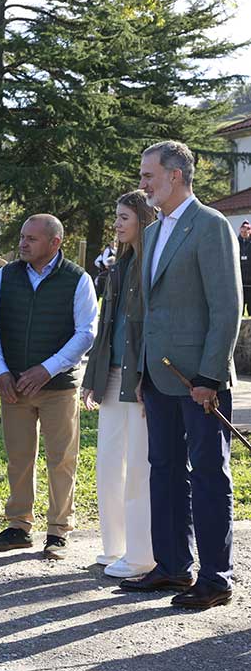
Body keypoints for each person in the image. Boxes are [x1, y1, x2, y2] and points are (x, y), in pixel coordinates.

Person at [119, 141, 241, 609]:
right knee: (163, 471)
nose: (143, 183)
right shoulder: (151, 232)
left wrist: (210, 376)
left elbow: (227, 308)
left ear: (175, 176)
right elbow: (148, 309)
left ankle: (216, 577)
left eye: (149, 175)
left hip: (199, 382)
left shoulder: (210, 226)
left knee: (209, 474)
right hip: (158, 376)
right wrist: (141, 374)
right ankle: (172, 567)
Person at [0, 214, 97, 560]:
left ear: (55, 243)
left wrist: (46, 370)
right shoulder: (6, 275)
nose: (22, 243)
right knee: (18, 457)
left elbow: (86, 332)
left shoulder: (78, 280)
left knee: (61, 459)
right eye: (22, 237)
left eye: (31, 239)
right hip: (13, 385)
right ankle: (19, 525)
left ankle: (58, 530)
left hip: (58, 386)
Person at [81, 191, 156, 578]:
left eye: (124, 216)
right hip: (110, 376)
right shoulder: (119, 264)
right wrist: (91, 380)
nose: (117, 223)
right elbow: (105, 328)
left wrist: (147, 377)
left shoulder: (153, 263)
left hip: (140, 379)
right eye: (116, 216)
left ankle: (142, 553)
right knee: (109, 465)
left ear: (143, 219)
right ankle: (115, 546)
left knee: (139, 468)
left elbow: (154, 327)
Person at [238, 220, 251, 317]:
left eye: (245, 232)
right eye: (242, 232)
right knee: (240, 305)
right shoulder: (236, 242)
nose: (243, 234)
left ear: (249, 231)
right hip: (240, 279)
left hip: (250, 279)